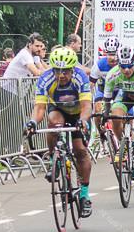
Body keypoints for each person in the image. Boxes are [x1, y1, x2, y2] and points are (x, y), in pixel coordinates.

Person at [24, 47, 94, 216]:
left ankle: (84, 195)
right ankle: (53, 159)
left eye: (65, 71)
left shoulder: (80, 77)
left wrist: (83, 121)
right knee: (53, 122)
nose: (61, 75)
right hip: (59, 109)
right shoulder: (45, 79)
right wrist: (33, 122)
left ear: (72, 69)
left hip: (79, 113)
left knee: (80, 151)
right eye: (57, 71)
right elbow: (40, 108)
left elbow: (86, 106)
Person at [102, 46, 134, 195]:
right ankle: (123, 145)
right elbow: (107, 99)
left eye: (129, 66)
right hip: (124, 98)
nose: (126, 70)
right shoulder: (113, 75)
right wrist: (105, 114)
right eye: (123, 67)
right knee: (115, 115)